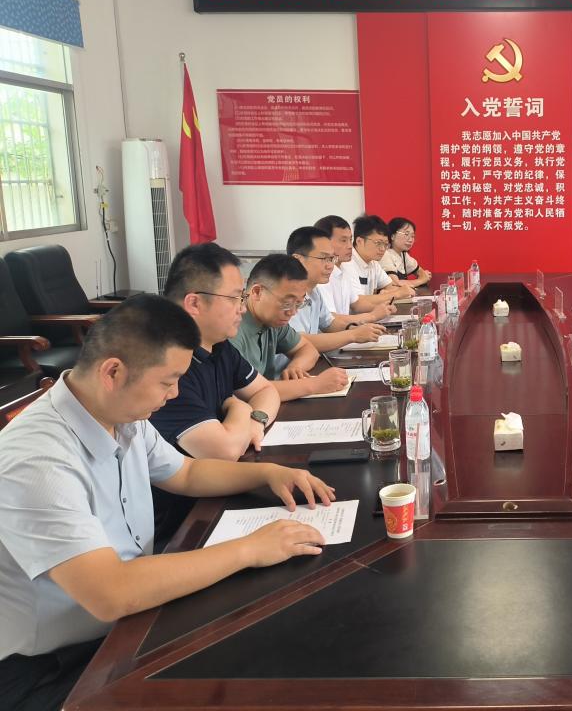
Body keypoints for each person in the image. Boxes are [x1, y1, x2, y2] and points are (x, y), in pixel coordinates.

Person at [0, 295, 333, 711]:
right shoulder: (37, 460)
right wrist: (250, 549)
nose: (174, 394)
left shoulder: (121, 416)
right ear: (113, 372)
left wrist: (268, 473)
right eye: (166, 381)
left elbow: (187, 473)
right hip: (53, 668)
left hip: (130, 623)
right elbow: (111, 592)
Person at [152, 243, 283, 543]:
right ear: (194, 303)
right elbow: (224, 452)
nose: (242, 308)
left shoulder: (220, 346)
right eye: (235, 298)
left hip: (213, 496)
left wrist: (256, 419)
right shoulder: (166, 368)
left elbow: (266, 390)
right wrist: (239, 407)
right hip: (179, 526)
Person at [229, 254, 348, 402]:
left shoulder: (273, 321)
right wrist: (315, 384)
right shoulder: (232, 328)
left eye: (298, 304)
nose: (292, 312)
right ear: (257, 292)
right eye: (287, 303)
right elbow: (247, 391)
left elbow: (308, 349)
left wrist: (295, 368)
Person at [286, 225, 390, 353]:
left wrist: (354, 329)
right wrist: (353, 335)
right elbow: (299, 341)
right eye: (323, 258)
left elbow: (329, 323)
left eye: (331, 259)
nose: (330, 266)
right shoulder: (287, 294)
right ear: (298, 260)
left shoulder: (314, 291)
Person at [343, 214, 416, 313]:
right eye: (378, 243)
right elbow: (358, 303)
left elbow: (391, 286)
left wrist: (390, 292)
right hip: (352, 320)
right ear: (359, 241)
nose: (383, 249)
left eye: (385, 244)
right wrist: (396, 294)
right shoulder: (347, 263)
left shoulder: (373, 262)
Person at [382, 217, 432, 288]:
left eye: (412, 236)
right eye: (406, 234)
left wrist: (423, 277)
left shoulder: (403, 254)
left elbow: (421, 272)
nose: (410, 240)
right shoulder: (385, 254)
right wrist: (421, 280)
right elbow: (395, 283)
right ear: (392, 236)